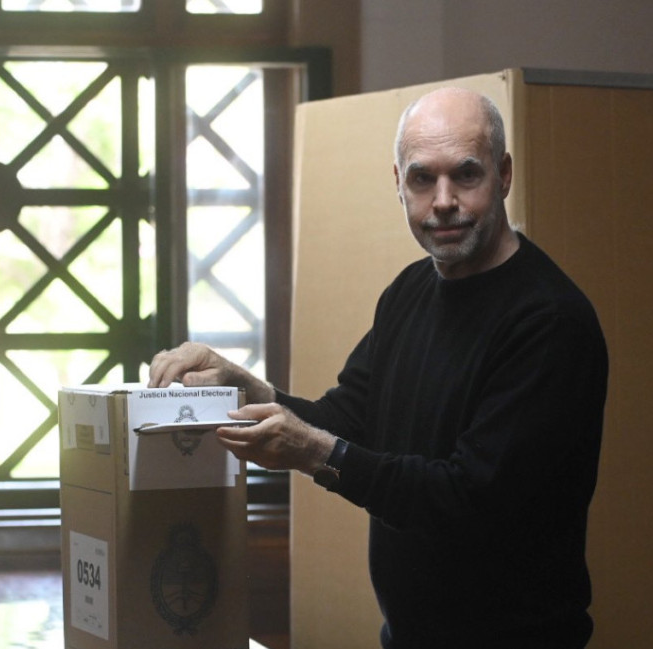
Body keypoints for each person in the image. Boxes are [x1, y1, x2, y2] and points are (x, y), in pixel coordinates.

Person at [149, 87, 609, 648]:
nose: (443, 201)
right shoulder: (410, 291)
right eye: (422, 179)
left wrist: (316, 454)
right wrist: (247, 387)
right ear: (397, 181)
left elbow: (466, 500)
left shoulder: (549, 322)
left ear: (504, 175)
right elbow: (345, 419)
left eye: (466, 175)